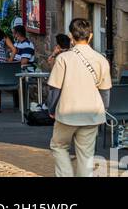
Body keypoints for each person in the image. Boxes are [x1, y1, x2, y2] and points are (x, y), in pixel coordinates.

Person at [47, 17, 112, 177]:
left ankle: (66, 174)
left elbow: (55, 88)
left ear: (71, 36)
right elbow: (105, 91)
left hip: (67, 112)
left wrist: (51, 108)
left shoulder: (63, 58)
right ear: (90, 36)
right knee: (86, 155)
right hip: (92, 112)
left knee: (59, 146)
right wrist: (103, 109)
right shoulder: (101, 60)